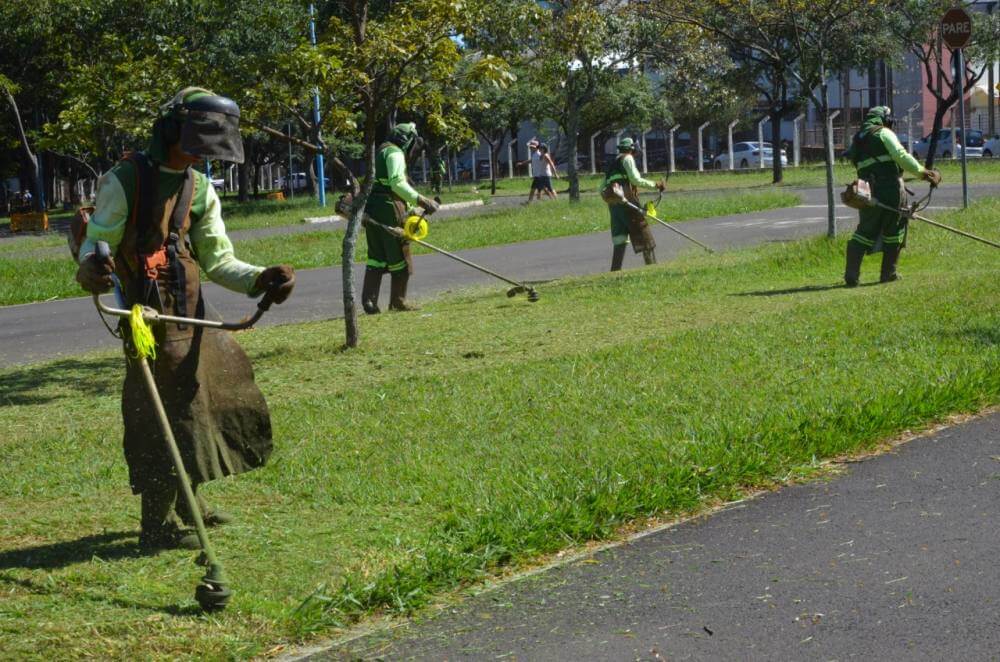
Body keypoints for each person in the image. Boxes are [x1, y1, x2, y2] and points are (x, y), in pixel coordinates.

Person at [74, 87, 296, 552]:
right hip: (143, 313)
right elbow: (97, 249)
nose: (201, 154)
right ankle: (155, 525)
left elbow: (219, 260)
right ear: (172, 131)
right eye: (196, 141)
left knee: (199, 402)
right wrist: (93, 270)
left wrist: (261, 279)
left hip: (189, 308)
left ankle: (189, 504)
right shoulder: (124, 181)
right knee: (157, 414)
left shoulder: (198, 187)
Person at [843, 106, 941, 286]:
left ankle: (851, 274)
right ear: (884, 119)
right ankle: (888, 274)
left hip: (865, 190)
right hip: (889, 188)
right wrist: (923, 173)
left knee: (865, 230)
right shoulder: (883, 133)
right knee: (894, 229)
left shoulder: (857, 139)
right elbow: (900, 155)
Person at [361, 122, 439, 313]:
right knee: (400, 254)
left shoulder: (380, 151)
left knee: (376, 256)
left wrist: (412, 208)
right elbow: (397, 184)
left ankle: (369, 302)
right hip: (389, 209)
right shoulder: (395, 153)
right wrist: (422, 201)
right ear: (407, 140)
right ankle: (398, 301)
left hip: (372, 207)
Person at [602, 137, 665, 271]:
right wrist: (656, 185)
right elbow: (635, 180)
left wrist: (614, 198)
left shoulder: (613, 163)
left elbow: (601, 188)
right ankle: (653, 269)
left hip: (614, 206)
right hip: (627, 203)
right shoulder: (628, 158)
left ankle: (614, 272)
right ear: (631, 149)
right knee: (644, 235)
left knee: (620, 239)